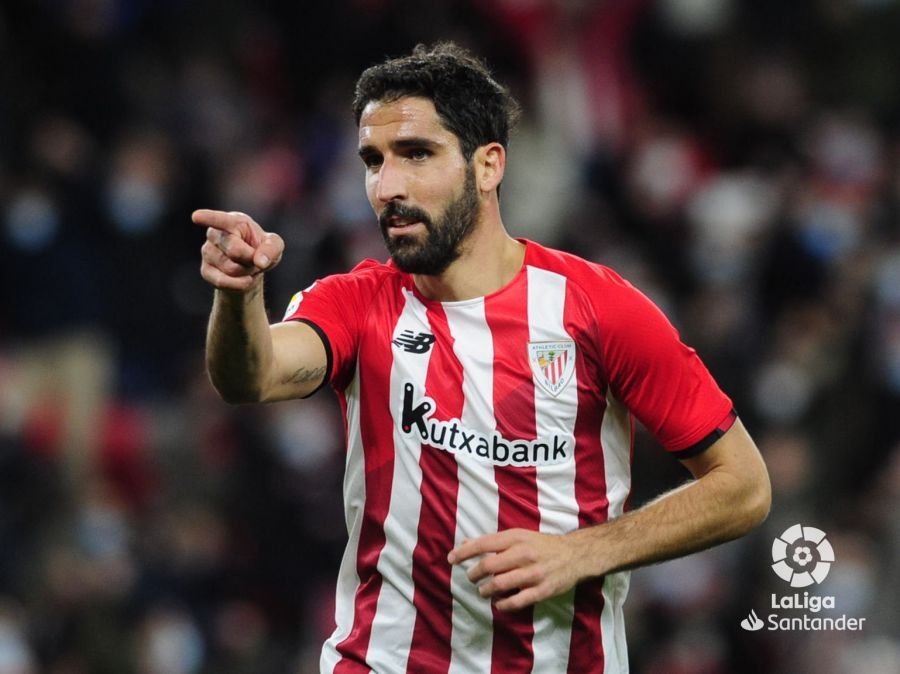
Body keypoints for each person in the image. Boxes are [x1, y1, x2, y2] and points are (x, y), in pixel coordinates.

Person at [193, 42, 771, 674]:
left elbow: (743, 487)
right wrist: (240, 295)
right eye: (372, 161)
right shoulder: (357, 304)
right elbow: (250, 378)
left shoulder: (599, 309)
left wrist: (582, 553)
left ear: (488, 165)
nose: (387, 187)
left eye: (416, 154)